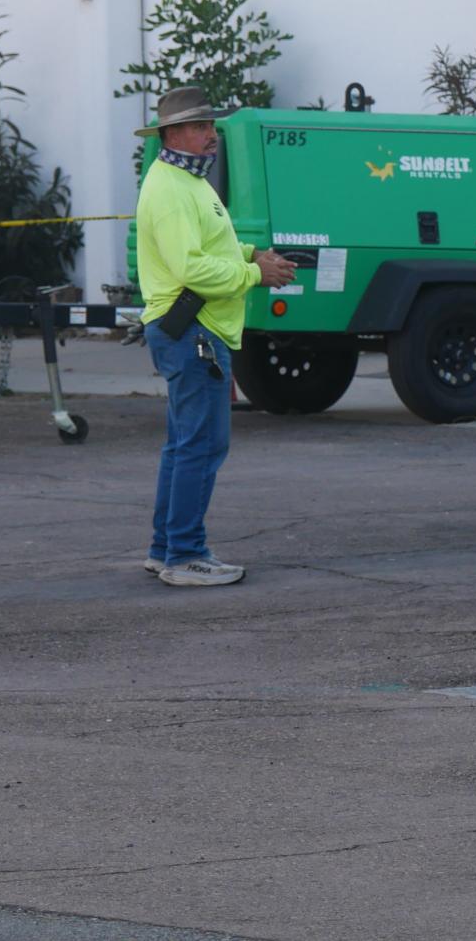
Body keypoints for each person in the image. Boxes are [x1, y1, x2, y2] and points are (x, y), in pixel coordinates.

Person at [134, 85, 295, 587]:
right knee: (201, 444)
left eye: (211, 125)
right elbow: (192, 268)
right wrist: (254, 275)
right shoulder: (174, 190)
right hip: (194, 331)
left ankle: (168, 548)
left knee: (186, 443)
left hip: (192, 329)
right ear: (174, 132)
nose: (212, 135)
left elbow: (209, 244)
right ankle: (185, 555)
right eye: (202, 126)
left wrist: (249, 255)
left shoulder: (184, 181)